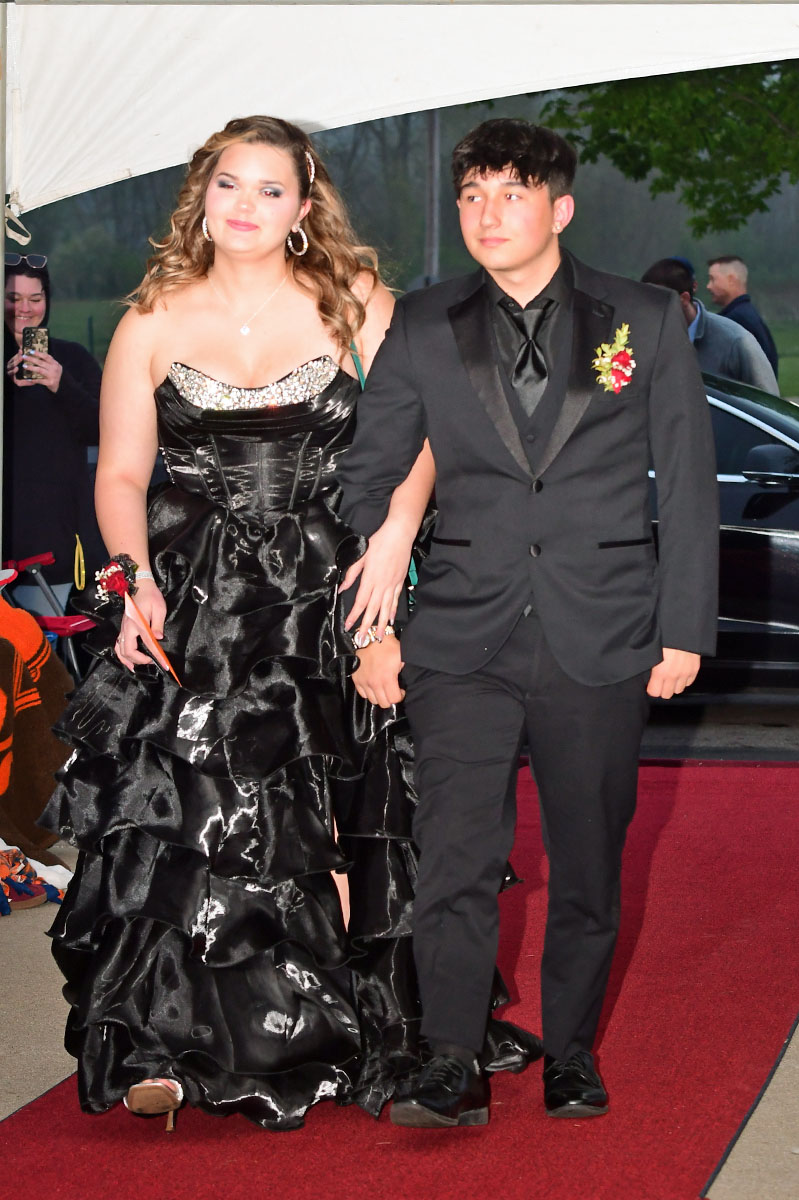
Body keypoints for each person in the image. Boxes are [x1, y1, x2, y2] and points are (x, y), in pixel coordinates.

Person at [39, 115, 535, 1133]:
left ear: (304, 207)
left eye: (271, 190)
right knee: (191, 817)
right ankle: (165, 1039)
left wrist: (395, 537)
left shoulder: (355, 301)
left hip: (337, 578)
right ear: (201, 196)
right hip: (198, 592)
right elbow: (125, 471)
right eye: (231, 186)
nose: (248, 208)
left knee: (348, 807)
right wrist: (131, 580)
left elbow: (428, 433)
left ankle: (358, 1026)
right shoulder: (151, 319)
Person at [338, 118, 719, 1128]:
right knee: (453, 854)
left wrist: (682, 629)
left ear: (557, 207)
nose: (486, 214)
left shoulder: (638, 318)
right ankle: (449, 1060)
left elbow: (683, 483)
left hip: (603, 631)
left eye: (509, 194)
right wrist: (370, 630)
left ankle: (570, 1053)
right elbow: (365, 482)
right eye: (470, 197)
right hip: (460, 632)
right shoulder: (420, 321)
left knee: (589, 860)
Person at [3, 254, 103, 614]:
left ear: (48, 301)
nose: (24, 309)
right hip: (6, 531)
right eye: (13, 298)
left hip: (56, 537)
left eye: (35, 298)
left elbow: (101, 429)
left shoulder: (73, 359)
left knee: (48, 653)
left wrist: (62, 384)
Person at [642, 257, 779, 394]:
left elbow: (769, 405)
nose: (650, 311)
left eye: (658, 303)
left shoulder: (735, 340)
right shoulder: (649, 340)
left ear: (683, 299)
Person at [706, 255, 778, 376]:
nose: (708, 286)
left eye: (713, 279)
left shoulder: (736, 321)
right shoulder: (747, 314)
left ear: (731, 280)